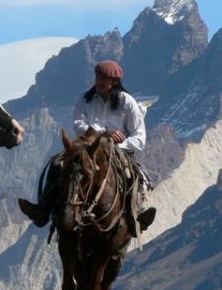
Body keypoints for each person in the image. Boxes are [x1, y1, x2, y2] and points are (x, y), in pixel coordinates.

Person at [18, 60, 156, 236]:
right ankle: (43, 210)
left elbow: (139, 138)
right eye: (97, 77)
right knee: (58, 163)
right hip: (87, 147)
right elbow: (78, 124)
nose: (98, 82)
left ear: (114, 81)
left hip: (118, 151)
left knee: (133, 175)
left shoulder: (127, 103)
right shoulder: (85, 99)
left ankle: (136, 215)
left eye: (103, 79)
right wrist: (103, 134)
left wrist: (117, 143)